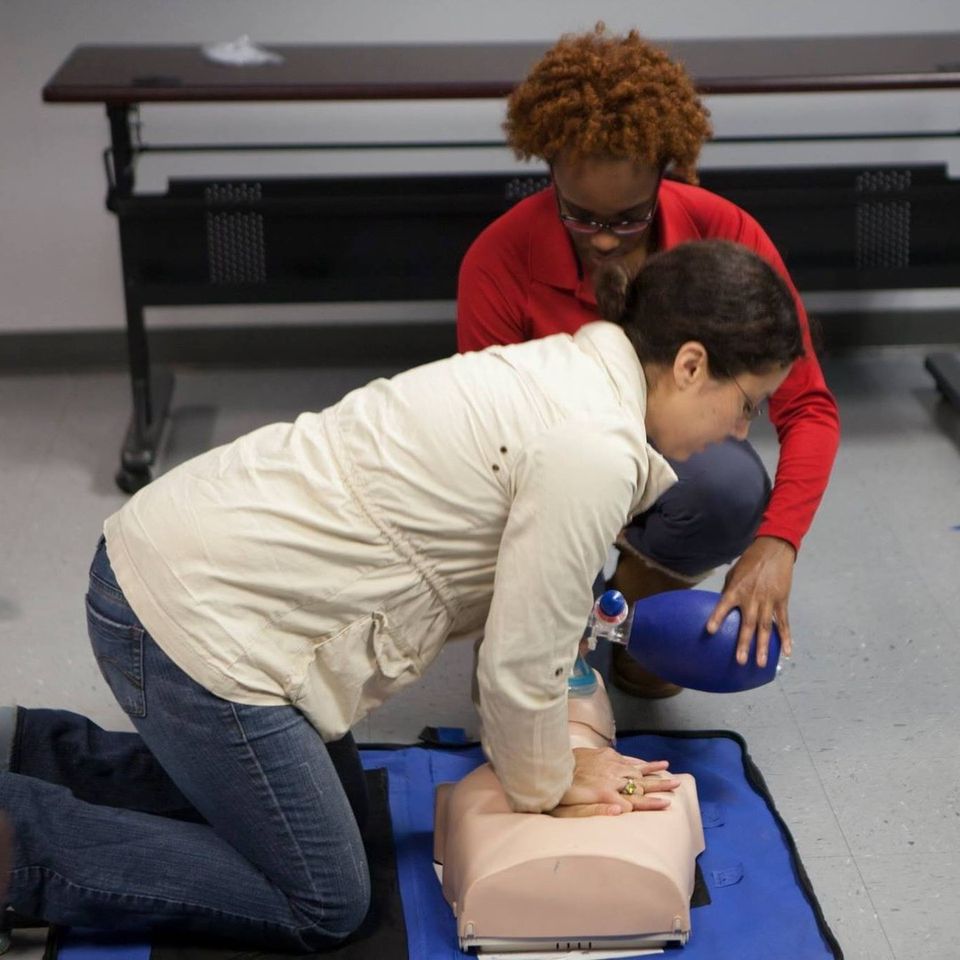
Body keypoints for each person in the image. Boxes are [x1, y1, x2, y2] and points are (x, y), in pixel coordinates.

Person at [0, 240, 802, 950]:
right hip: (190, 623)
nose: (739, 433)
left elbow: (542, 616)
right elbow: (519, 669)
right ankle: (15, 847)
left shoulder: (572, 373)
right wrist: (552, 785)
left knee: (330, 819)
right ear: (691, 364)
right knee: (324, 898)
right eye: (746, 406)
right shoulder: (596, 447)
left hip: (177, 566)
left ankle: (19, 749)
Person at [457, 25, 841, 697]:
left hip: (665, 472)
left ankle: (628, 614)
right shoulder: (498, 259)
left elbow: (807, 407)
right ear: (547, 171)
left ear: (668, 176)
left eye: (629, 219)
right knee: (524, 688)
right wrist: (535, 595)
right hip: (542, 479)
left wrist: (777, 544)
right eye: (579, 216)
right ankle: (571, 619)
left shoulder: (727, 232)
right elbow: (486, 451)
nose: (604, 239)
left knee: (725, 485)